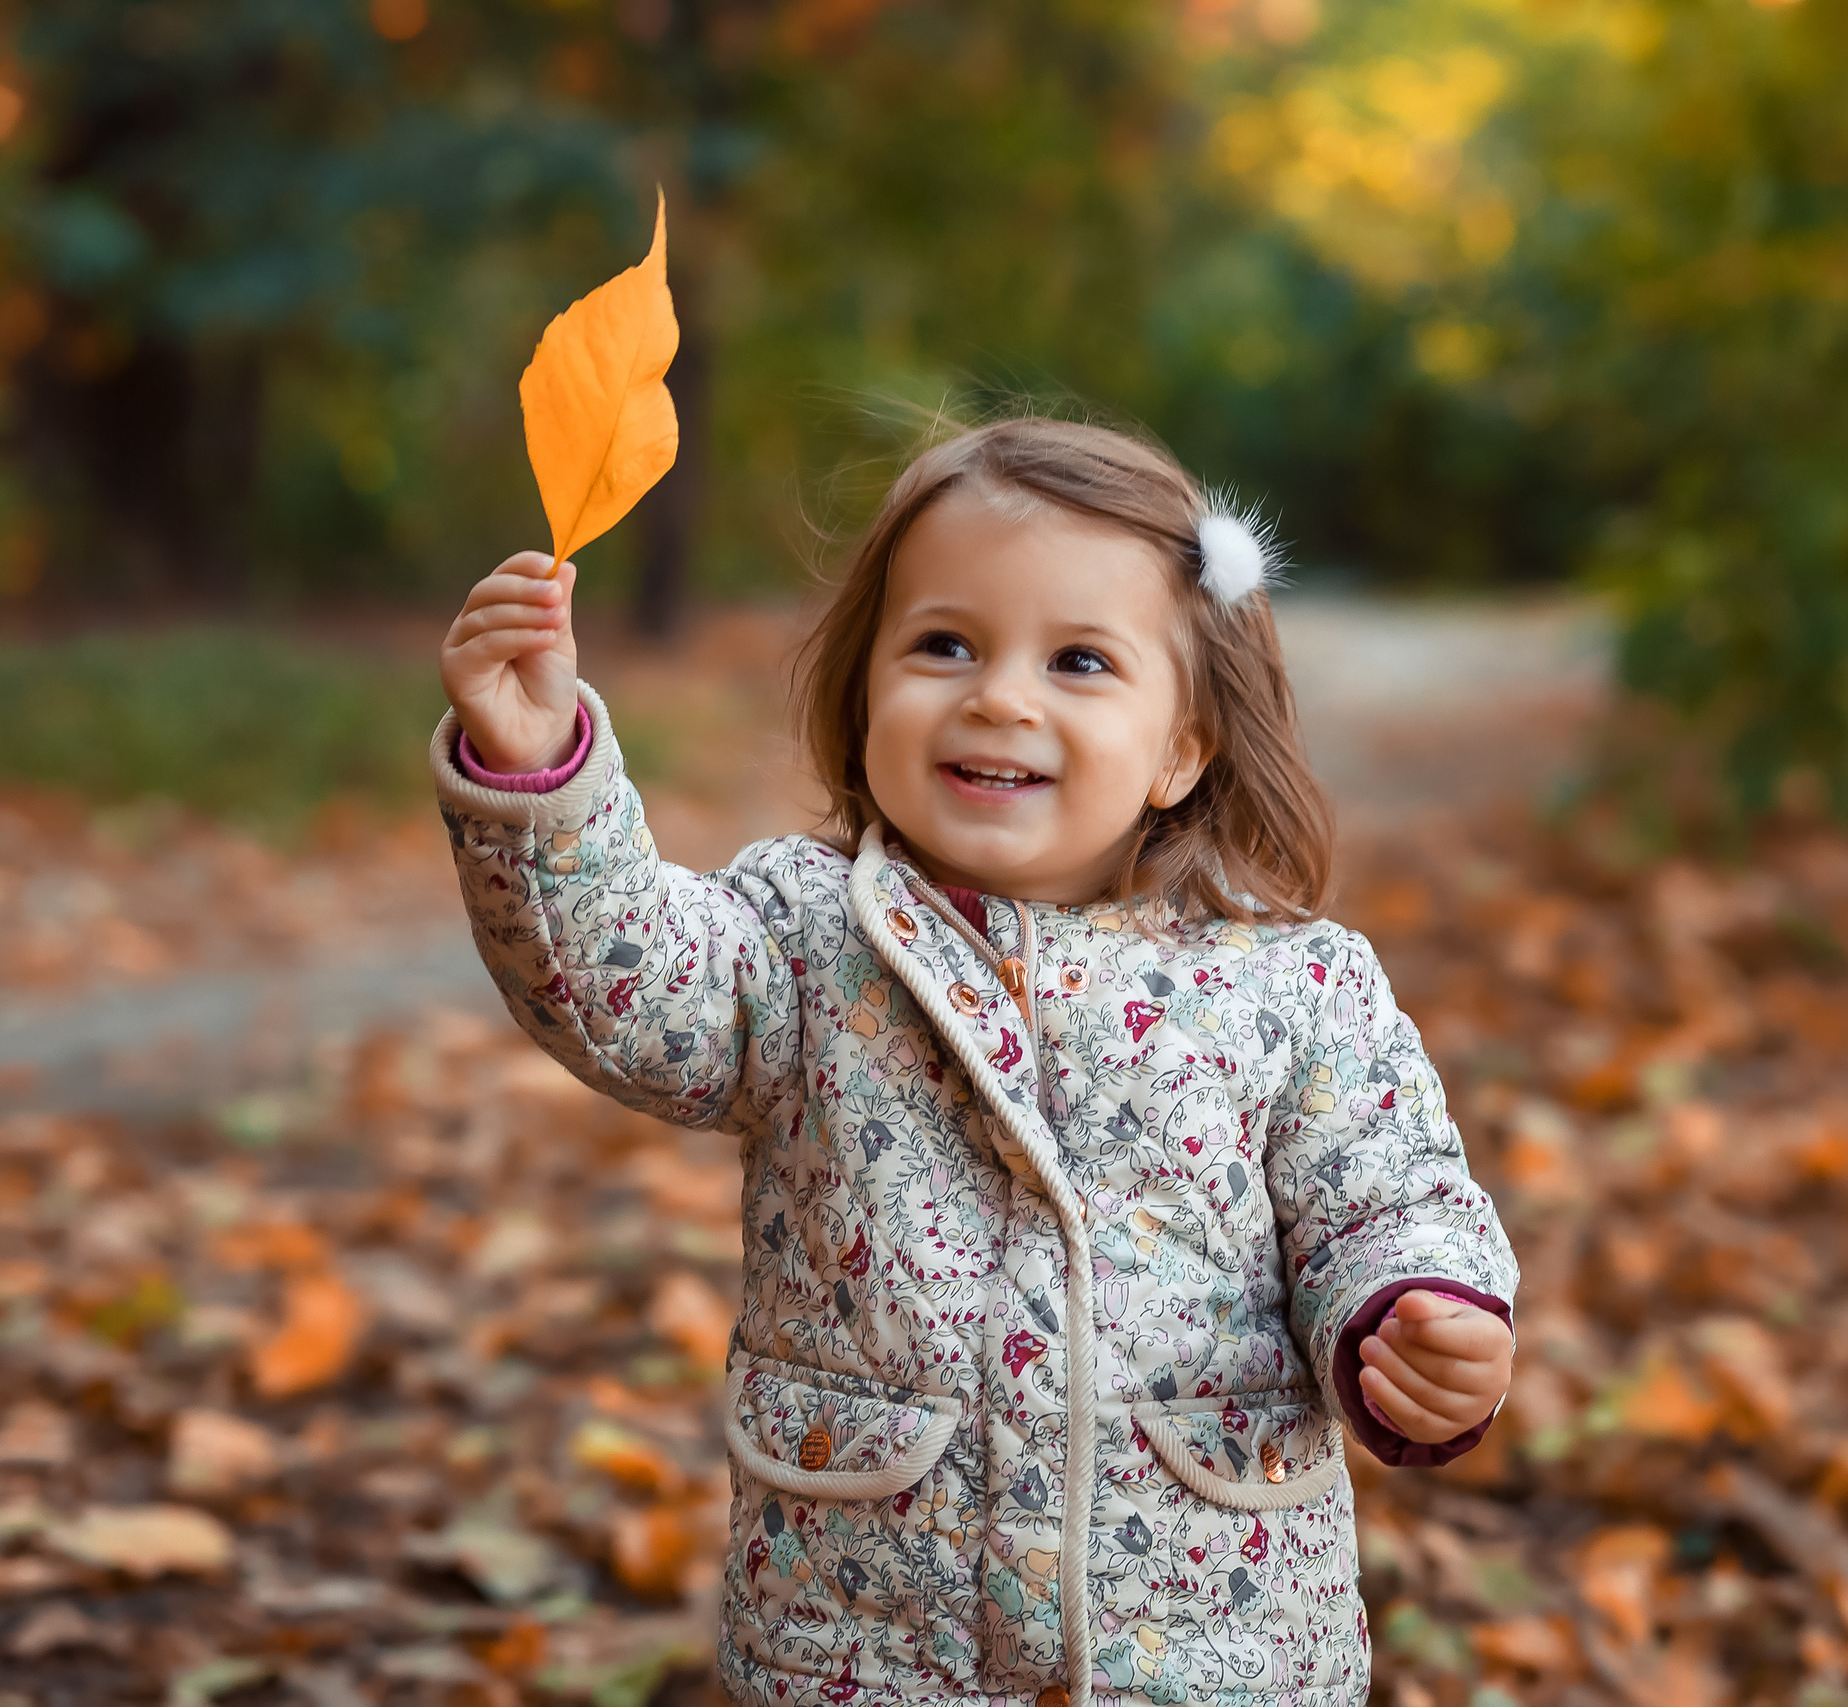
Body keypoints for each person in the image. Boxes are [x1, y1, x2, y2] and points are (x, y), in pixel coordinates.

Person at [432, 416, 1518, 1707]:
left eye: (1079, 661)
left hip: (1205, 1633)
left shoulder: (1292, 985)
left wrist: (1414, 1316)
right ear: (865, 693)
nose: (1000, 696)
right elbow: (621, 986)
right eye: (943, 645)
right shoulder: (803, 942)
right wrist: (539, 771)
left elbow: (1386, 1196)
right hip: (872, 1636)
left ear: (1184, 748)